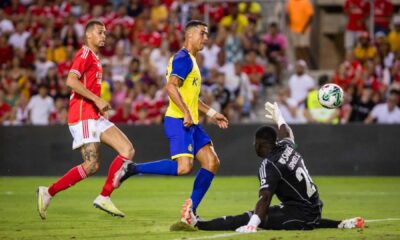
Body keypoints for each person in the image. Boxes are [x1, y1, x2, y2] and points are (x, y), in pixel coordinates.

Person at [179, 102, 364, 232]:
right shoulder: (286, 146)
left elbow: (265, 198)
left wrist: (253, 223)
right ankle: (341, 224)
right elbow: (288, 133)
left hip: (302, 214)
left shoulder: (270, 165)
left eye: (255, 143)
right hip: (313, 208)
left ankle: (198, 225)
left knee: (252, 216)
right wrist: (280, 118)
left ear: (261, 144)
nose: (254, 146)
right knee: (289, 215)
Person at [114, 20, 229, 219]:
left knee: (211, 162)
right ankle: (132, 168)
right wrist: (185, 111)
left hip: (191, 121)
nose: (206, 38)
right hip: (178, 119)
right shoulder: (183, 58)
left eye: (207, 34)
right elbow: (170, 87)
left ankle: (190, 211)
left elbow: (192, 98)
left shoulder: (191, 60)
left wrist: (211, 113)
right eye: (203, 33)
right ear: (190, 35)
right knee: (184, 167)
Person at [36, 20, 135, 220]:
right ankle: (49, 192)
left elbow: (88, 86)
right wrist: (97, 99)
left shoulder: (96, 59)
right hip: (82, 115)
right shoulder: (84, 54)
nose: (104, 36)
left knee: (128, 150)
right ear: (88, 35)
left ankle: (104, 196)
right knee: (91, 165)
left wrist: (100, 106)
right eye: (100, 32)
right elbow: (70, 81)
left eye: (105, 33)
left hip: (94, 115)